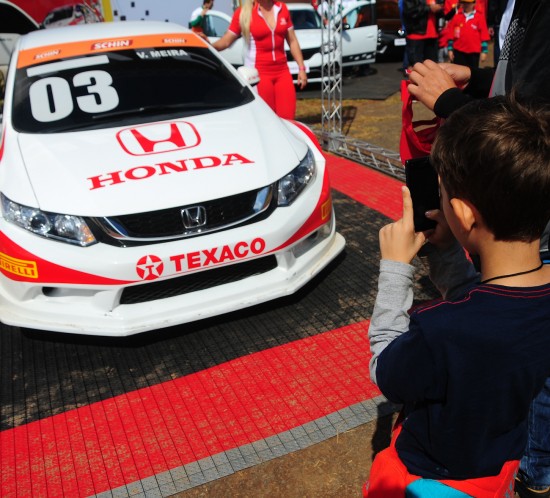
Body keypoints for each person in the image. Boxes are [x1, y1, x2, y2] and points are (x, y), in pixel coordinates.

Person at [365, 93, 550, 497]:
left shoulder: (441, 330)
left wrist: (395, 271)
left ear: (464, 214)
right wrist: (449, 251)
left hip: (431, 479)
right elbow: (489, 306)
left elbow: (386, 370)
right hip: (497, 466)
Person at [407, 4, 550, 493]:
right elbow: (527, 75)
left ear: (463, 211)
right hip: (525, 227)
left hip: (530, 210)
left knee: (536, 371)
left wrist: (451, 105)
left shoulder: (435, 328)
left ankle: (536, 471)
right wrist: (480, 76)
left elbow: (539, 120)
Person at [211, 0, 307, 120]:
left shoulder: (282, 8)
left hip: (283, 73)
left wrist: (301, 68)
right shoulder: (244, 13)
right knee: (268, 120)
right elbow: (225, 41)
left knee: (288, 120)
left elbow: (292, 40)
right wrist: (207, 45)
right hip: (260, 75)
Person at [446, 0, 490, 68]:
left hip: (474, 52)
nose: (466, 5)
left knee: (472, 73)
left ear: (474, 3)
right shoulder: (457, 16)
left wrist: (484, 51)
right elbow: (451, 35)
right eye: (464, 2)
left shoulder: (479, 17)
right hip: (458, 51)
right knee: (458, 72)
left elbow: (484, 36)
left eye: (468, 3)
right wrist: (450, 49)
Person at [402, 0, 443, 67]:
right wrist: (429, 8)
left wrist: (439, 9)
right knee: (415, 66)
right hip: (416, 35)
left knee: (432, 66)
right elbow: (409, 11)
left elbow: (442, 13)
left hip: (432, 35)